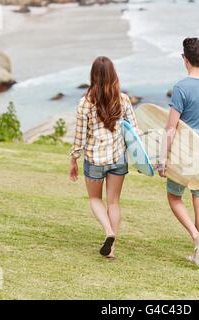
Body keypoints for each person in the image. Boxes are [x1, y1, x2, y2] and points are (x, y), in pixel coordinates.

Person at [158, 38, 199, 266]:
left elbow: (170, 128)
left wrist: (162, 158)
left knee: (174, 196)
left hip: (184, 153)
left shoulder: (181, 87)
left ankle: (196, 237)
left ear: (184, 59)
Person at [69, 56, 138, 259]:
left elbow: (80, 137)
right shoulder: (123, 99)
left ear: (93, 76)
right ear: (113, 75)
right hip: (118, 158)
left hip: (95, 159)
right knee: (114, 202)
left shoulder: (85, 103)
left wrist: (73, 159)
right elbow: (134, 130)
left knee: (95, 198)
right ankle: (112, 247)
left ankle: (108, 232)